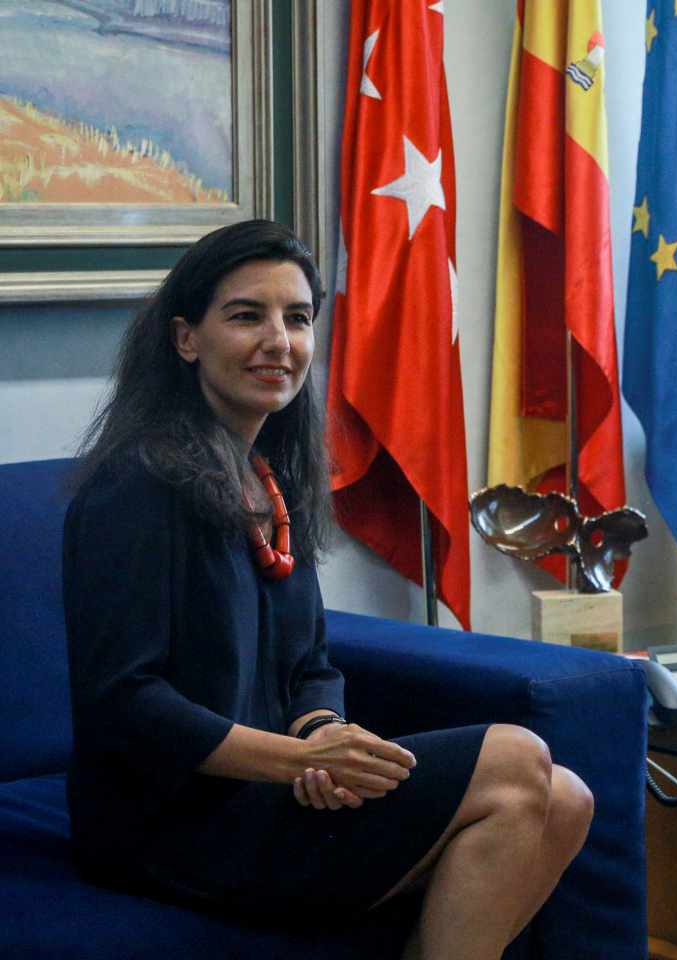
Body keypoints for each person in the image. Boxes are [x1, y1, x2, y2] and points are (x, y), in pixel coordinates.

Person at [63, 219, 593, 960]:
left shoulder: (270, 480)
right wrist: (295, 762)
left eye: (298, 318)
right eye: (247, 315)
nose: (279, 341)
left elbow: (312, 662)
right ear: (186, 338)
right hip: (170, 821)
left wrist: (321, 734)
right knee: (516, 758)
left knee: (567, 798)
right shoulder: (136, 486)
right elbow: (124, 704)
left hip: (268, 791)